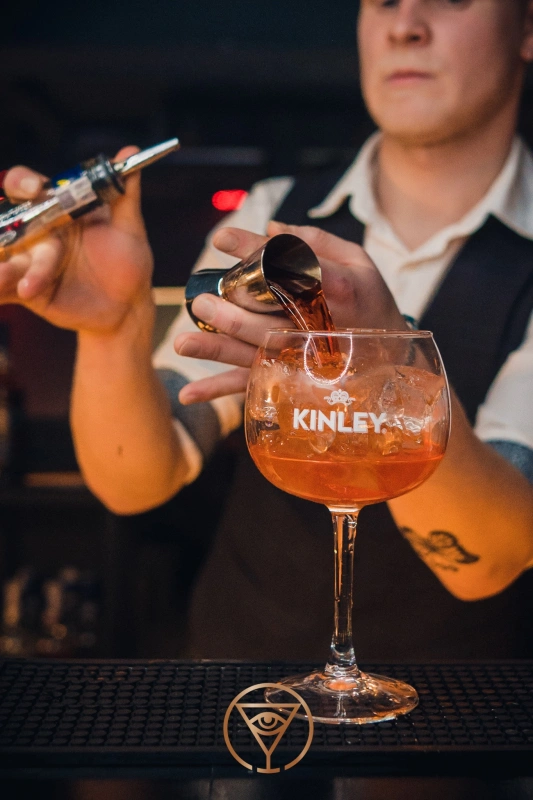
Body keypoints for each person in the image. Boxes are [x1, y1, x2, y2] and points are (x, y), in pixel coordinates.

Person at [2, 0, 533, 660]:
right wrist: (112, 327)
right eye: (383, 2)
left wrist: (386, 367)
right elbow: (137, 479)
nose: (405, 26)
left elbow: (488, 559)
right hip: (245, 686)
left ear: (525, 27)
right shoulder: (272, 217)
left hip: (458, 704)